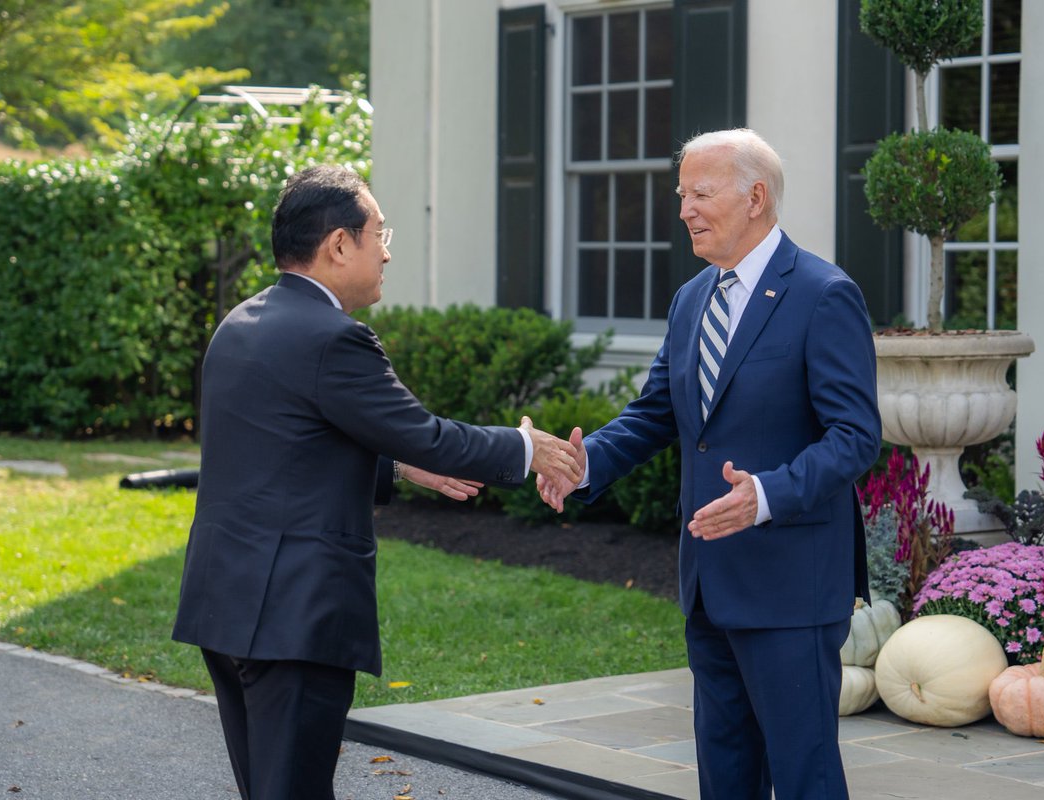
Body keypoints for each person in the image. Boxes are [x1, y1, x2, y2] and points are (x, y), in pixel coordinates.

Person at [172, 164, 581, 800]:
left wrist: (398, 466)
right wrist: (527, 447)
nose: (387, 251)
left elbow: (285, 447)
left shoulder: (243, 323)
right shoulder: (335, 338)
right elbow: (429, 434)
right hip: (293, 617)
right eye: (379, 233)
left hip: (226, 605)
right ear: (339, 244)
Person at [539, 129, 881, 800]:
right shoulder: (692, 298)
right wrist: (584, 466)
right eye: (681, 194)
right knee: (724, 774)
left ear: (755, 197)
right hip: (710, 583)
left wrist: (768, 494)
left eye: (700, 193)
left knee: (804, 774)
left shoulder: (823, 294)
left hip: (791, 585)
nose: (685, 210)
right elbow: (657, 413)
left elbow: (855, 436)